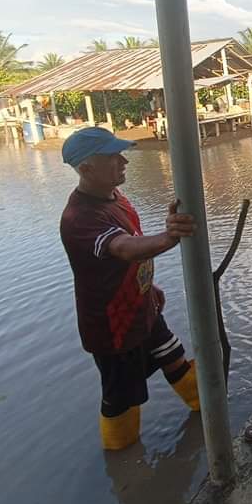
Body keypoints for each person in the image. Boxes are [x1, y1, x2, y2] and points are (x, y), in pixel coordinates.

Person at [59, 127, 201, 451]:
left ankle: (207, 412)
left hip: (141, 306)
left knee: (174, 357)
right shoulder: (79, 218)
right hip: (113, 326)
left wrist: (148, 287)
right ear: (86, 168)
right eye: (113, 157)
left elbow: (128, 251)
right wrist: (169, 237)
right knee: (120, 397)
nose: (124, 161)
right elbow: (123, 248)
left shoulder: (115, 198)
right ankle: (122, 457)